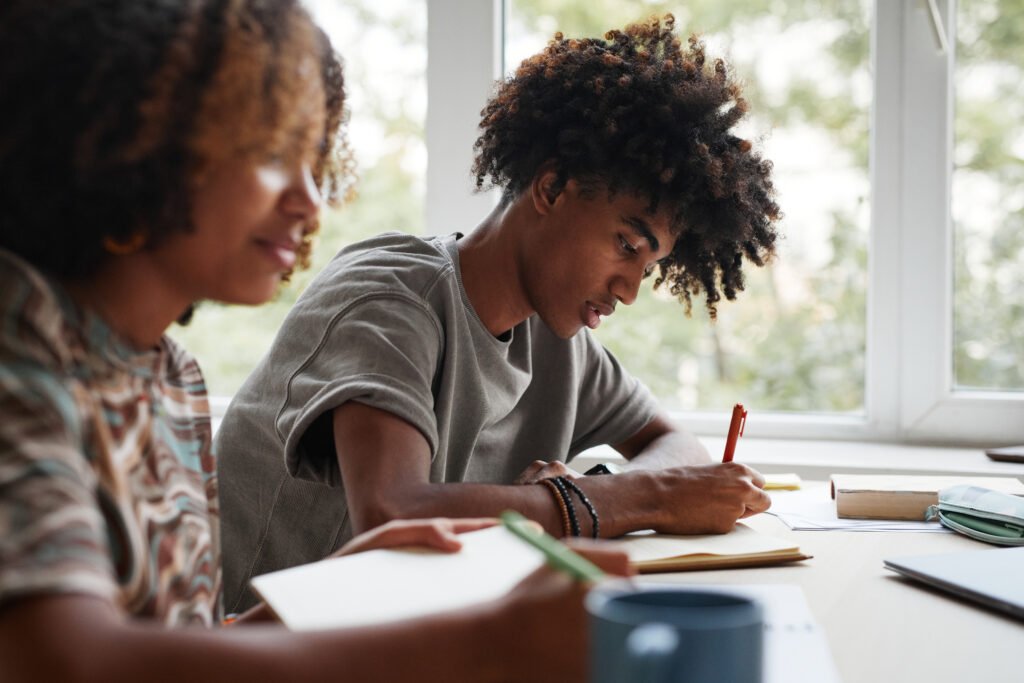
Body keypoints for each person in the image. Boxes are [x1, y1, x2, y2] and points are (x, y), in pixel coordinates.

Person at [0, 2, 627, 681]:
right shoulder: (19, 346)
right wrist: (484, 643)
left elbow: (188, 638)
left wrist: (336, 584)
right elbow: (66, 657)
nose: (310, 202)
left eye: (313, 159)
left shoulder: (168, 374)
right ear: (135, 137)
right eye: (272, 153)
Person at [216, 13, 782, 613]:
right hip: (266, 653)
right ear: (553, 189)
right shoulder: (390, 301)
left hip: (408, 636)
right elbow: (391, 511)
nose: (629, 290)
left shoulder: (557, 341)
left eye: (648, 267)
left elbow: (673, 445)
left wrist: (597, 494)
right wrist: (620, 502)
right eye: (626, 245)